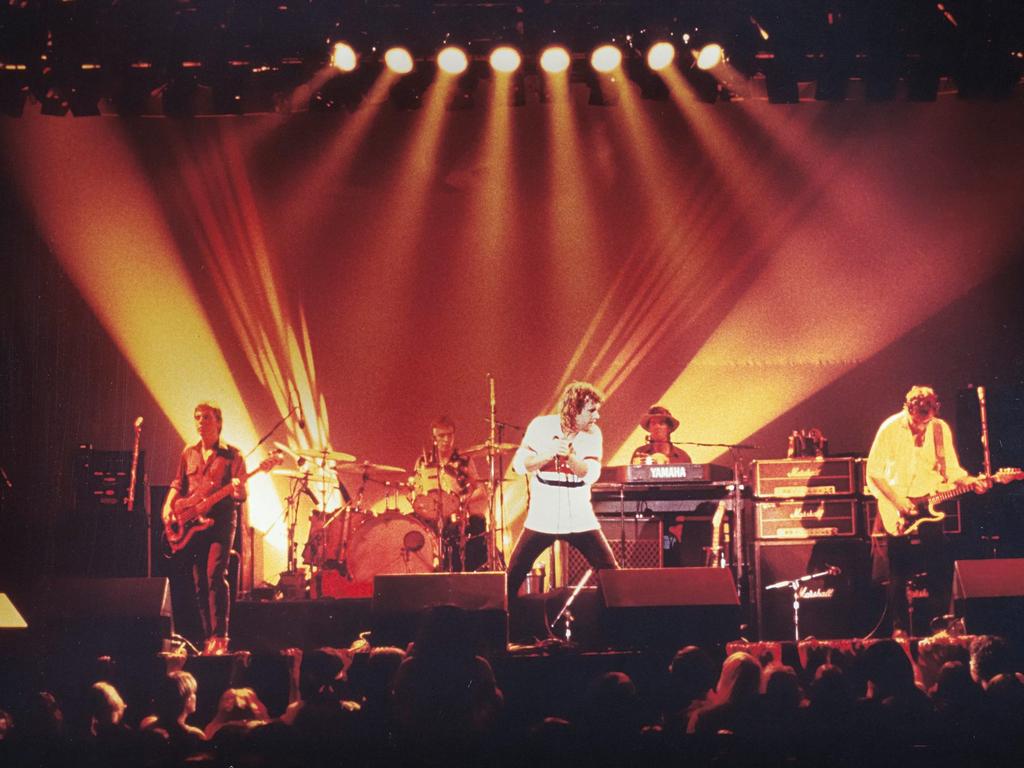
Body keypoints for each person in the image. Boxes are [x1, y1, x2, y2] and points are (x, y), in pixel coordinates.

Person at [866, 386, 990, 637]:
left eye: (928, 416)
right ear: (908, 407)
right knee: (898, 569)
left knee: (938, 563)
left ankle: (939, 625)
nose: (922, 424)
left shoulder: (939, 428)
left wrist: (972, 483)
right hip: (897, 504)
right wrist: (899, 502)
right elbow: (874, 472)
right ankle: (899, 628)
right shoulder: (890, 428)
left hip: (929, 503)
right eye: (918, 417)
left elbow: (952, 471)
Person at [506, 381, 618, 599]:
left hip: (579, 517)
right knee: (514, 573)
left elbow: (592, 474)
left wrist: (570, 458)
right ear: (574, 409)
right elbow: (520, 465)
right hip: (542, 516)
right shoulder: (540, 426)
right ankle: (501, 626)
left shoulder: (593, 433)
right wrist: (547, 455)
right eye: (591, 411)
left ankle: (615, 627)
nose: (597, 416)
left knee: (610, 573)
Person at [162, 402, 247, 655]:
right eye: (197, 417)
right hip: (194, 525)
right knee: (199, 581)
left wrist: (238, 488)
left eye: (206, 417)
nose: (201, 422)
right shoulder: (189, 452)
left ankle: (221, 638)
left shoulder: (234, 455)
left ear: (218, 422)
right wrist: (168, 506)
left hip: (221, 522)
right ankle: (207, 638)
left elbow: (242, 495)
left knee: (214, 576)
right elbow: (178, 483)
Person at [411, 416, 486, 572]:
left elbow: (481, 490)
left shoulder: (464, 460)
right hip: (430, 516)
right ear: (434, 438)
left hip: (456, 516)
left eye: (450, 435)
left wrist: (462, 501)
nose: (446, 439)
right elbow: (417, 491)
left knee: (477, 523)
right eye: (441, 436)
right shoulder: (423, 461)